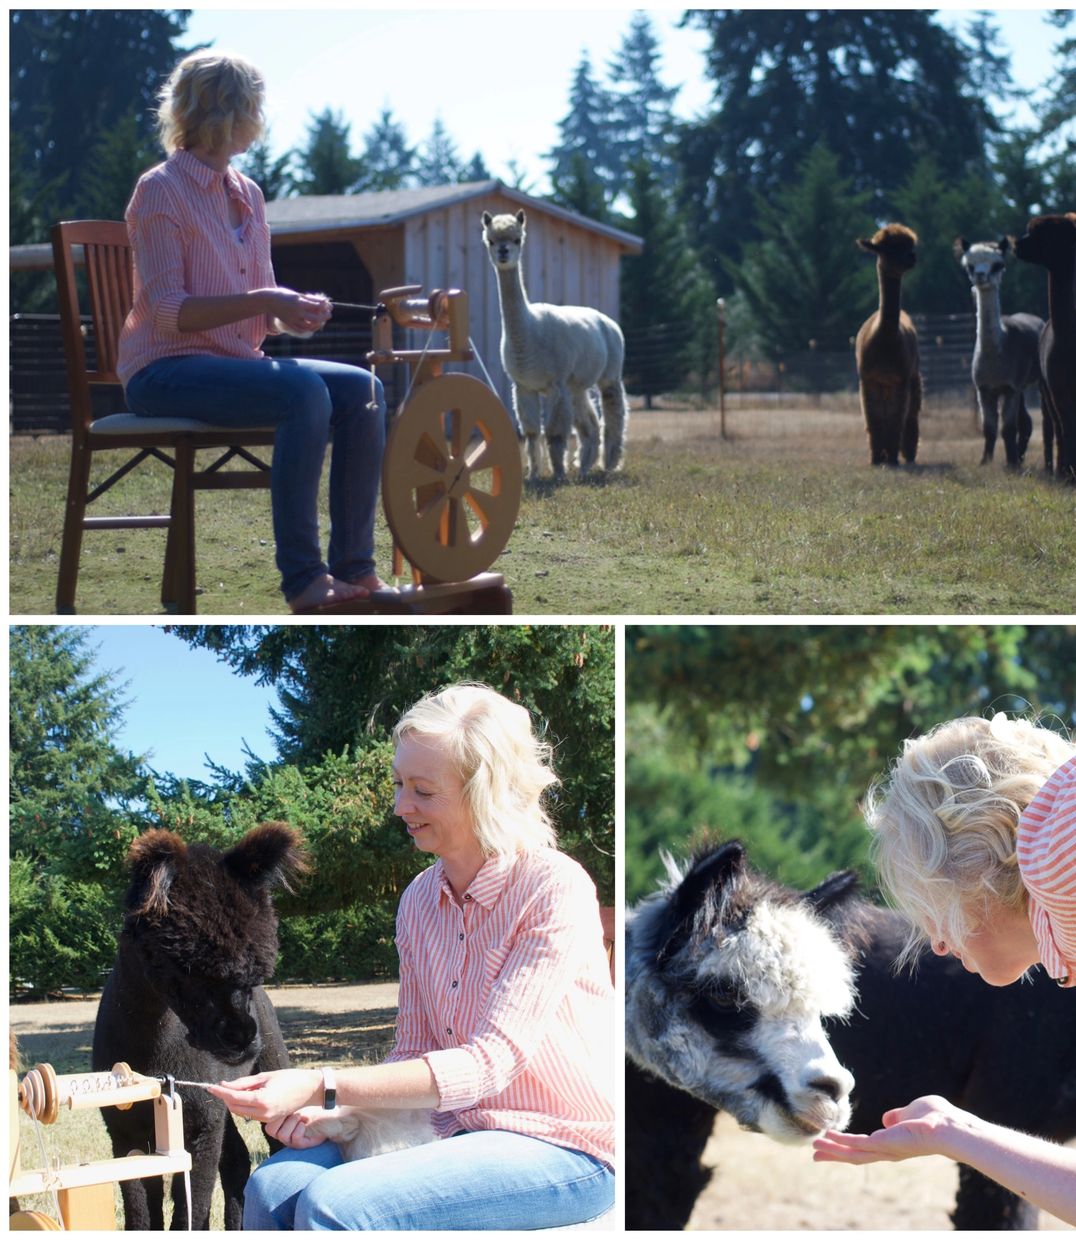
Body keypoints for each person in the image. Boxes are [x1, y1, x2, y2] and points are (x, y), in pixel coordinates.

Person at [812, 688, 1076, 1231]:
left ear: (963, 865)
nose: (937, 942)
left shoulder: (1067, 841)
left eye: (929, 904)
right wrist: (957, 1133)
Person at [209, 683, 615, 1229]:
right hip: (451, 1129)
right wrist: (338, 1114)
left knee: (336, 1208)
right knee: (273, 1184)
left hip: (562, 1144)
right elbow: (416, 1050)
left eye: (423, 790)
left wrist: (322, 1084)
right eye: (400, 784)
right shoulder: (420, 899)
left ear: (484, 792)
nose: (401, 805)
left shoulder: (552, 887)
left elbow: (489, 1063)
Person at [116, 51, 386, 613]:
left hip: (236, 364)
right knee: (303, 392)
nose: (260, 118)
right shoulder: (159, 190)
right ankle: (305, 582)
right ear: (229, 112)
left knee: (364, 390)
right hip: (162, 371)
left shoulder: (249, 194)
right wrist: (268, 299)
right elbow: (169, 311)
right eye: (254, 106)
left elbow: (262, 313)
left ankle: (354, 569)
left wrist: (293, 313)